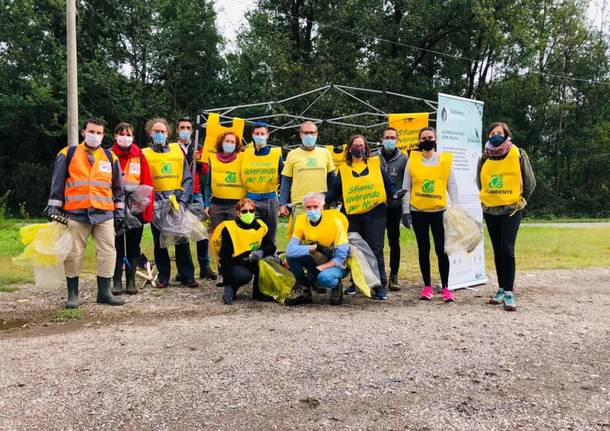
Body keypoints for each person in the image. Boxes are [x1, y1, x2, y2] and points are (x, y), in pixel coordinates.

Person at [43, 117, 125, 308]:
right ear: (83, 132)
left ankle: (104, 293)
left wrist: (120, 213)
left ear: (103, 135)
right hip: (76, 213)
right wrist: (54, 207)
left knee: (108, 252)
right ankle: (73, 295)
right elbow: (57, 184)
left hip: (104, 213)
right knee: (74, 253)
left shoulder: (110, 157)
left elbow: (118, 189)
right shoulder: (67, 154)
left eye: (99, 133)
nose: (95, 136)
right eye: (92, 132)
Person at [326, 134, 399, 300]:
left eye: (361, 146)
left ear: (366, 148)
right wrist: (323, 197)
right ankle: (356, 282)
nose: (358, 148)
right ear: (349, 149)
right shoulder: (343, 169)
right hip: (353, 216)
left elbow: (389, 185)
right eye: (355, 145)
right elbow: (334, 190)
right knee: (355, 251)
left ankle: (379, 285)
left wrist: (395, 194)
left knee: (375, 249)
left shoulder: (375, 165)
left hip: (375, 214)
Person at [477, 122, 536, 312]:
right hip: (491, 209)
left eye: (499, 133)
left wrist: (521, 199)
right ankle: (501, 289)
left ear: (506, 135)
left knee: (507, 249)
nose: (495, 135)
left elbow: (530, 181)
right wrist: (489, 198)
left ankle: (509, 292)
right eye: (492, 133)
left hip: (511, 209)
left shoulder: (518, 153)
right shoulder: (484, 157)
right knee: (497, 250)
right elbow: (480, 182)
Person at [401, 127, 458, 302]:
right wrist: (405, 211)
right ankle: (426, 286)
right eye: (424, 138)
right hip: (418, 212)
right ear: (419, 141)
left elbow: (452, 186)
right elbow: (406, 187)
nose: (427, 140)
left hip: (439, 212)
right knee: (423, 249)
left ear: (435, 139)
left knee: (442, 250)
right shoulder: (412, 160)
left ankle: (446, 287)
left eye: (430, 137)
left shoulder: (444, 160)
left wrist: (456, 208)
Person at [142, 118, 198, 289]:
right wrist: (153, 201)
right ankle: (163, 277)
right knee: (160, 242)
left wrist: (181, 199)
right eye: (156, 131)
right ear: (150, 133)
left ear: (168, 134)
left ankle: (187, 275)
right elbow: (143, 179)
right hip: (157, 204)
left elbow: (187, 177)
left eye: (162, 131)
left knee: (182, 239)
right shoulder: (145, 154)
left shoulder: (176, 151)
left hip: (176, 202)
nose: (159, 134)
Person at [110, 122, 154, 295]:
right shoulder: (109, 155)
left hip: (136, 208)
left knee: (134, 245)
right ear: (115, 136)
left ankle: (131, 281)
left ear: (133, 137)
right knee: (118, 244)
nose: (125, 137)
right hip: (115, 207)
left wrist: (146, 211)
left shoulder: (140, 156)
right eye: (122, 134)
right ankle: (116, 281)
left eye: (129, 134)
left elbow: (147, 183)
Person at [285, 192, 350, 306]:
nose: (312, 210)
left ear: (322, 206)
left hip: (336, 262)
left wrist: (320, 268)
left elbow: (341, 257)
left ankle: (336, 285)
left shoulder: (335, 221)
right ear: (304, 209)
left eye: (315, 206)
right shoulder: (301, 220)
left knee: (324, 278)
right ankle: (304, 288)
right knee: (291, 257)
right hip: (317, 259)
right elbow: (290, 250)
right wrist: (315, 247)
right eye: (308, 207)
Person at [175, 117, 217, 281]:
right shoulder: (172, 149)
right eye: (182, 127)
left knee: (201, 232)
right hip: (178, 194)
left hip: (196, 193)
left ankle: (204, 266)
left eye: (188, 127)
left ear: (192, 130)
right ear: (177, 129)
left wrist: (199, 162)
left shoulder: (199, 147)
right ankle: (183, 270)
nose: (185, 130)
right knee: (180, 233)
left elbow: (207, 170)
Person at [214, 198, 276, 305]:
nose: (248, 213)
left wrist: (261, 252)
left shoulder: (260, 226)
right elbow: (225, 258)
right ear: (237, 213)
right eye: (244, 211)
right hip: (236, 263)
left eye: (251, 211)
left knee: (270, 261)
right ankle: (233, 287)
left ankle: (258, 292)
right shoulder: (229, 229)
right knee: (243, 276)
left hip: (253, 260)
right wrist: (227, 284)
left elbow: (271, 246)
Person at [279, 121, 335, 235]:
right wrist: (282, 204)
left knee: (323, 237)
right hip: (299, 205)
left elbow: (332, 180)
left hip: (321, 204)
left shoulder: (325, 153)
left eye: (312, 132)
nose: (309, 135)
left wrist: (332, 201)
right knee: (299, 238)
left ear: (317, 134)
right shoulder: (292, 154)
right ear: (300, 134)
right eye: (306, 133)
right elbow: (286, 181)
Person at [241, 121, 283, 244]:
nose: (260, 136)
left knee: (270, 236)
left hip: (270, 199)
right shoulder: (245, 154)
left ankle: (270, 261)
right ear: (252, 135)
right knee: (253, 235)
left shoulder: (275, 154)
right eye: (257, 133)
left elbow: (283, 176)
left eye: (262, 133)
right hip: (251, 200)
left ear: (267, 135)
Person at [379, 127, 408, 291]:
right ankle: (379, 275)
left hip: (395, 207)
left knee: (394, 242)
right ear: (381, 139)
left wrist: (406, 211)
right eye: (387, 137)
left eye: (392, 137)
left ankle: (394, 275)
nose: (389, 140)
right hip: (377, 207)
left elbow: (406, 185)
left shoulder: (404, 159)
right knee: (377, 243)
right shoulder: (374, 157)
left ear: (397, 140)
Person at [204, 131, 245, 231]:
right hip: (216, 206)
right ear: (221, 142)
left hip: (235, 206)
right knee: (217, 238)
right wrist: (206, 205)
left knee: (233, 237)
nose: (229, 143)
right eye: (227, 141)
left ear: (236, 145)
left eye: (232, 142)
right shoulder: (213, 159)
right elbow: (208, 184)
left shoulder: (242, 158)